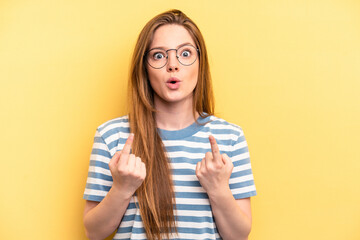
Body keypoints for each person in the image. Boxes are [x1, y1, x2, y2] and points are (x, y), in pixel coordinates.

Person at [83, 9, 257, 240]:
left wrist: (218, 189)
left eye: (185, 53)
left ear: (200, 63)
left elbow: (239, 236)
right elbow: (93, 233)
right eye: (158, 55)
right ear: (143, 67)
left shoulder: (230, 137)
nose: (173, 65)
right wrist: (122, 188)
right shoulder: (111, 136)